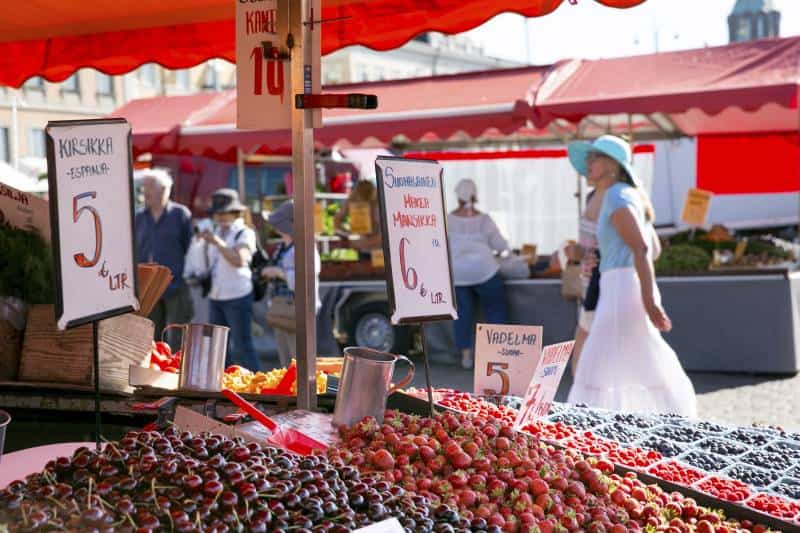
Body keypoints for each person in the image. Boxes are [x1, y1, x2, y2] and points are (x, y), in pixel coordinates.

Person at [566, 135, 696, 416]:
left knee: (596, 361)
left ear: (612, 164)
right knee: (639, 355)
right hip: (621, 283)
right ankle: (673, 416)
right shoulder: (625, 193)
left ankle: (583, 424)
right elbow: (650, 248)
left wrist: (650, 301)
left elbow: (642, 247)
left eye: (594, 158)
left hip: (620, 285)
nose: (588, 164)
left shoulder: (617, 195)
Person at [447, 179, 510, 370]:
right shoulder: (484, 220)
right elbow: (501, 245)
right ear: (475, 196)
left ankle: (466, 356)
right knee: (495, 309)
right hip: (485, 270)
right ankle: (497, 355)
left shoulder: (448, 219)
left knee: (462, 313)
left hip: (457, 273)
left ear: (457, 196)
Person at [134, 168, 194, 347]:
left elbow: (189, 247)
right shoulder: (138, 217)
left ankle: (177, 372)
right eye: (144, 187)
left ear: (163, 189)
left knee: (177, 337)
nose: (144, 192)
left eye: (148, 187)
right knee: (151, 336)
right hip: (148, 285)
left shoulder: (180, 215)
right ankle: (154, 372)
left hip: (175, 283)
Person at [202, 188, 260, 371]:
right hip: (216, 296)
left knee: (242, 346)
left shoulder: (245, 233)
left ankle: (256, 384)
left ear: (235, 212)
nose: (219, 217)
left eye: (223, 212)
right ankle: (224, 387)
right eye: (216, 213)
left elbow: (239, 260)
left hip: (238, 296)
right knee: (219, 348)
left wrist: (217, 243)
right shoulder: (216, 231)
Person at [261, 201, 321, 367]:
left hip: (298, 310)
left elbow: (305, 279)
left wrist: (278, 273)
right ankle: (288, 391)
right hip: (281, 309)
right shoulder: (283, 246)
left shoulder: (305, 247)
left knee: (299, 360)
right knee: (285, 361)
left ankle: (299, 392)